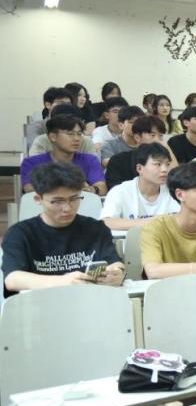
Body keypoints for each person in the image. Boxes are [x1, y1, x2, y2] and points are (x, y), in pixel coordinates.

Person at [3, 163, 125, 296]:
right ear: (38, 199)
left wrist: (117, 273)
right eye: (57, 201)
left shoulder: (96, 228)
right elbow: (12, 279)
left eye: (74, 199)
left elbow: (114, 262)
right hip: (40, 303)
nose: (67, 208)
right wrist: (63, 281)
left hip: (90, 301)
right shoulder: (20, 233)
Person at [20, 114, 105, 195]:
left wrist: (91, 189)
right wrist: (69, 190)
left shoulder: (90, 160)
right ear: (53, 137)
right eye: (70, 134)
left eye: (79, 134)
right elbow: (29, 189)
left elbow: (102, 188)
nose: (76, 138)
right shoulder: (31, 163)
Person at [101, 144, 179, 230]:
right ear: (139, 168)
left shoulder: (174, 191)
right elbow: (106, 222)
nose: (165, 169)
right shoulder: (120, 191)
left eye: (167, 164)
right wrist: (154, 222)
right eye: (158, 164)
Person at [104, 116, 170, 189]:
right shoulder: (119, 160)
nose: (158, 140)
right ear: (137, 137)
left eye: (160, 136)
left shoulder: (165, 160)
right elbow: (115, 189)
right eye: (152, 135)